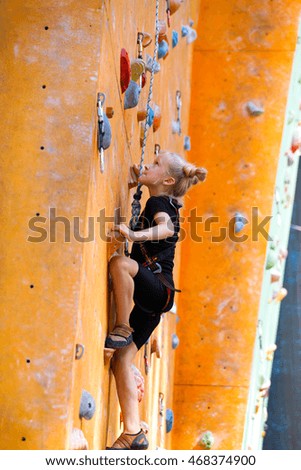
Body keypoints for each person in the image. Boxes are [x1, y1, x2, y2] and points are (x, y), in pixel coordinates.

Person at [105, 150, 207, 450]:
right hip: (157, 297)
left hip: (157, 288)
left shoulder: (160, 203)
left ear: (167, 179)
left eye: (156, 164)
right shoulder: (163, 198)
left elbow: (166, 228)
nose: (149, 164)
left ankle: (121, 327)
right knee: (122, 360)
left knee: (119, 263)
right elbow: (152, 186)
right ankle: (133, 432)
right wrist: (142, 174)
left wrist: (134, 238)